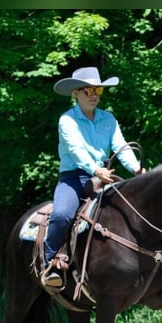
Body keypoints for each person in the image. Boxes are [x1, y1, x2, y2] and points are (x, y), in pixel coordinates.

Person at [42, 66, 142, 289]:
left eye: (99, 90)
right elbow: (76, 150)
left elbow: (122, 147)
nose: (94, 94)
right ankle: (50, 264)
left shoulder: (109, 119)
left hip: (104, 178)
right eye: (88, 90)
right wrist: (95, 170)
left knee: (129, 211)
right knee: (61, 214)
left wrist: (136, 169)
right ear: (75, 93)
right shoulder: (67, 120)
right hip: (74, 178)